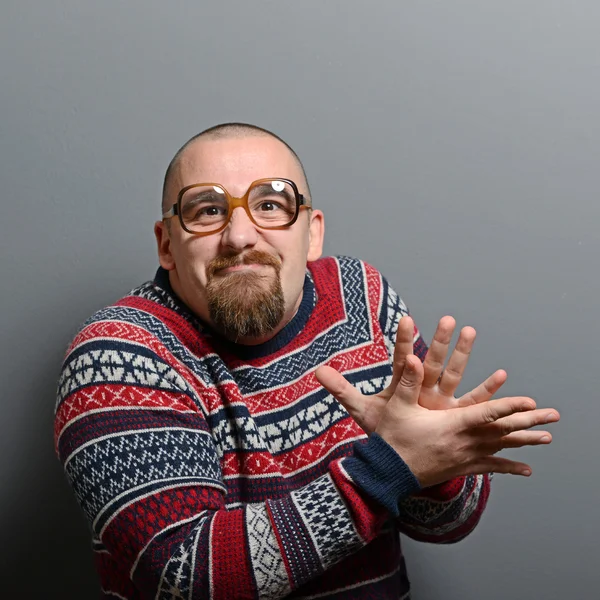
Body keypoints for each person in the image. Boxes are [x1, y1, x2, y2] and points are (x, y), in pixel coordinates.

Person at [54, 123, 560, 600]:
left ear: (312, 233)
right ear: (167, 244)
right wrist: (390, 467)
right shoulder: (118, 355)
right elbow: (184, 577)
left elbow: (449, 525)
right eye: (207, 211)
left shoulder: (361, 296)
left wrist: (440, 466)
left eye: (270, 204)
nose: (239, 236)